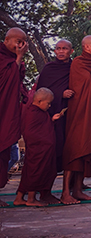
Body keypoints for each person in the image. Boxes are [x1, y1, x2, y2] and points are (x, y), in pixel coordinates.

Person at [61, 35, 91, 205]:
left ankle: (78, 190)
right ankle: (66, 192)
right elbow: (86, 84)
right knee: (74, 150)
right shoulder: (79, 62)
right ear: (87, 47)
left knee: (86, 149)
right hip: (80, 112)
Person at [36, 39, 74, 204]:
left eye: (64, 49)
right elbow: (41, 92)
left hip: (71, 115)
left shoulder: (75, 67)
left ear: (71, 51)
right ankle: (45, 191)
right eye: (58, 48)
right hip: (52, 117)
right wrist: (60, 93)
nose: (61, 51)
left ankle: (69, 190)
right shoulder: (49, 69)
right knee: (51, 153)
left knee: (70, 152)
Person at [14, 88, 61, 207]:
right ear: (39, 101)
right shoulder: (33, 113)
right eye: (48, 103)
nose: (49, 106)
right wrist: (44, 143)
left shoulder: (40, 113)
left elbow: (43, 127)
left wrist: (52, 120)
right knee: (35, 172)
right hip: (37, 149)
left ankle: (19, 198)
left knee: (28, 172)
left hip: (40, 148)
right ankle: (31, 198)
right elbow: (30, 132)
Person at [0, 27, 28, 208]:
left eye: (22, 42)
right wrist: (18, 58)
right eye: (17, 41)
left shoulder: (12, 60)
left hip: (7, 111)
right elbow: (7, 80)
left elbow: (16, 83)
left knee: (3, 155)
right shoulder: (4, 58)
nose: (19, 45)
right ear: (7, 39)